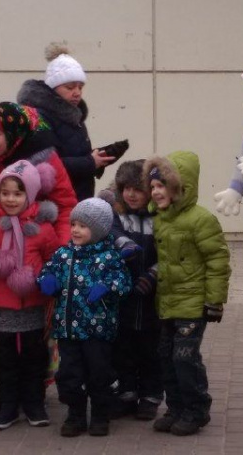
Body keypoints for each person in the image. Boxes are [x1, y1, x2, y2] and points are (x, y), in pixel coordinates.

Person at [143, 151, 231, 437]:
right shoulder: (159, 219)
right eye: (153, 186)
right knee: (165, 357)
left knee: (184, 357)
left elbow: (217, 261)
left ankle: (196, 409)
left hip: (193, 304)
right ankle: (176, 407)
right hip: (167, 301)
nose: (155, 192)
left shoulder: (200, 220)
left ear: (182, 187)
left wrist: (214, 301)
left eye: (162, 186)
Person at [37, 198, 130, 437]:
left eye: (83, 226)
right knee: (68, 374)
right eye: (74, 224)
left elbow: (123, 283)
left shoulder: (110, 257)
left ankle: (100, 414)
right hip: (67, 331)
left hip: (97, 331)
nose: (76, 230)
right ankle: (75, 414)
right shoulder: (64, 254)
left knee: (99, 374)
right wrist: (46, 281)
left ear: (98, 229)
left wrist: (107, 287)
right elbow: (48, 270)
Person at [0, 160, 61, 430]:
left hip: (33, 304)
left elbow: (52, 260)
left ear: (31, 193)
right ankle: (7, 405)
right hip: (0, 304)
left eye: (17, 192)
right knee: (2, 357)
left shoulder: (43, 228)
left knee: (33, 356)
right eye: (5, 193)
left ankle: (34, 402)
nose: (11, 199)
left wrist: (49, 281)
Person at [18, 43, 116, 201]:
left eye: (80, 87)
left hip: (75, 197)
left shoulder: (73, 116)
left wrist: (97, 158)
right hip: (57, 201)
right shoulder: (39, 119)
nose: (77, 93)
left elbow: (72, 152)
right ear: (53, 88)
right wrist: (90, 163)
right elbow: (46, 165)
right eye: (70, 87)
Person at [0, 102, 77, 243]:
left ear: (12, 133)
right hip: (0, 240)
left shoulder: (45, 159)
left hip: (39, 239)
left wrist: (61, 249)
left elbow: (66, 207)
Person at [107, 160, 163, 421]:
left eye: (137, 189)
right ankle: (126, 393)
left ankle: (150, 396)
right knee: (123, 349)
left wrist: (153, 275)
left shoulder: (161, 218)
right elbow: (112, 234)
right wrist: (125, 246)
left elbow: (172, 254)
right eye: (126, 188)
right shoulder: (117, 216)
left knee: (151, 351)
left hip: (153, 300)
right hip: (124, 298)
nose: (131, 194)